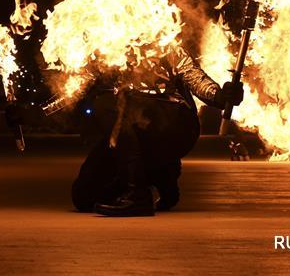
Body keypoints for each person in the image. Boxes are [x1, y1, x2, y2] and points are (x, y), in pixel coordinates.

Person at [71, 46, 243, 217]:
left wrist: (220, 95)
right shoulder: (107, 46)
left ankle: (138, 193)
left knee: (107, 104)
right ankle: (162, 174)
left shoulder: (166, 43)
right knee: (84, 197)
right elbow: (83, 79)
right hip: (130, 132)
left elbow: (195, 77)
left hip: (171, 123)